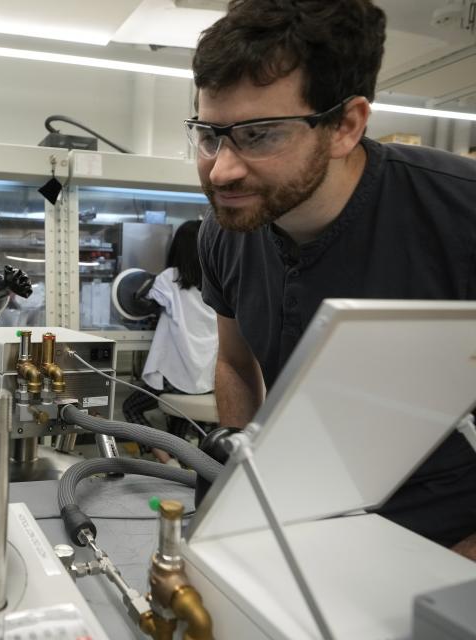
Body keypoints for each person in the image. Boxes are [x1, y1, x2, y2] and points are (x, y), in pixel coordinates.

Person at [189, 0, 476, 556]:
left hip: (449, 533)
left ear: (345, 125)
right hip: (304, 512)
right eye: (209, 134)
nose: (221, 168)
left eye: (260, 134)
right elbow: (233, 362)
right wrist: (241, 483)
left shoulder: (459, 214)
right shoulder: (227, 230)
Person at [122, 220, 218, 439]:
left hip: (174, 380)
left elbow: (141, 299)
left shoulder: (170, 279)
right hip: (207, 380)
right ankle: (183, 461)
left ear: (178, 248)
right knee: (181, 422)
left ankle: (164, 456)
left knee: (131, 407)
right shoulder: (219, 280)